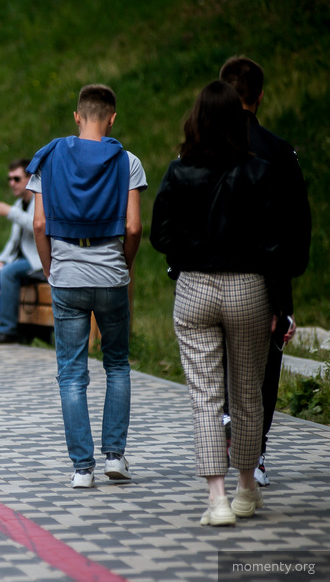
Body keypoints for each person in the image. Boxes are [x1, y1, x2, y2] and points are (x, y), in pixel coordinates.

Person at [150, 79, 297, 526]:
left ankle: (216, 499)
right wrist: (280, 305)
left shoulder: (179, 171)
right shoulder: (260, 170)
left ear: (196, 119)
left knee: (205, 396)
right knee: (248, 394)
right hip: (248, 287)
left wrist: (186, 255)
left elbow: (160, 235)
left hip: (195, 287)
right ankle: (246, 488)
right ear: (239, 120)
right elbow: (275, 245)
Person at [26, 84, 146, 489]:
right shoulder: (128, 162)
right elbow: (134, 227)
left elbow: (39, 224)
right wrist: (123, 265)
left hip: (67, 277)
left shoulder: (48, 158)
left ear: (77, 116)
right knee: (117, 365)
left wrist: (50, 269)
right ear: (112, 118)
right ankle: (115, 457)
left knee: (72, 374)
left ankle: (82, 468)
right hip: (112, 276)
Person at [217, 56, 311, 486]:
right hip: (264, 276)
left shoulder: (200, 148)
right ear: (259, 96)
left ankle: (225, 425)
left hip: (209, 274)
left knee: (218, 360)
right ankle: (255, 454)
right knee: (264, 371)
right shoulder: (279, 151)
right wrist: (285, 295)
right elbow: (296, 224)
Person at [0, 158, 43, 344]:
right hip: (18, 261)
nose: (12, 183)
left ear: (30, 178)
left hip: (39, 261)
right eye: (9, 179)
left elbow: (38, 226)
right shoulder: (19, 204)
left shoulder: (41, 201)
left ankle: (7, 330)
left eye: (16, 179)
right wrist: (0, 261)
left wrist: (10, 212)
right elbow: (13, 243)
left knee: (8, 273)